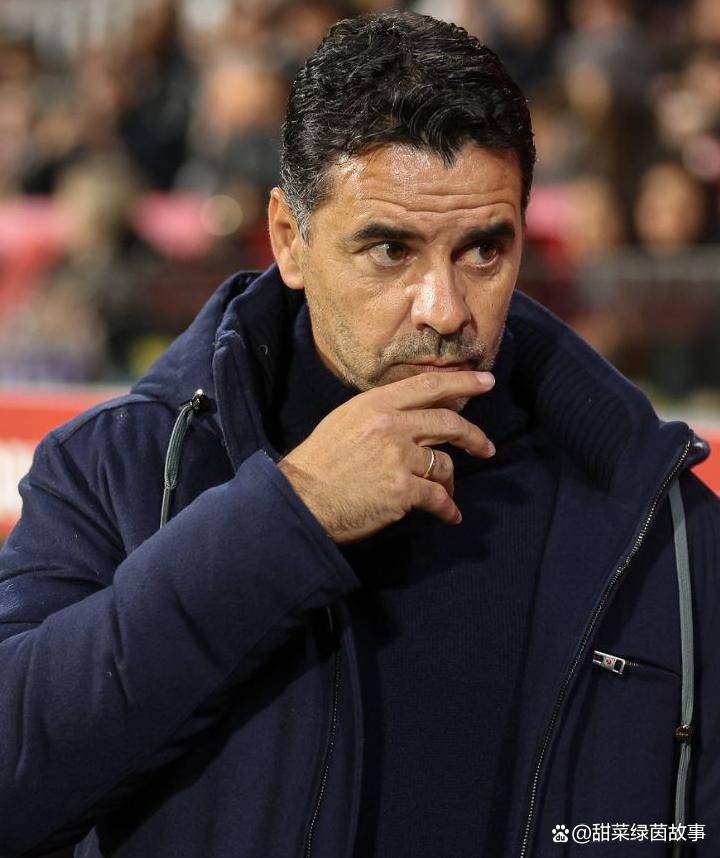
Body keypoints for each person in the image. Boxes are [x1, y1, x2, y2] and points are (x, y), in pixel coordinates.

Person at [1, 10, 718, 858]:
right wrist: (289, 516)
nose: (444, 310)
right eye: (390, 251)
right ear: (288, 240)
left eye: (484, 251)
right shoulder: (119, 467)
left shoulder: (659, 519)